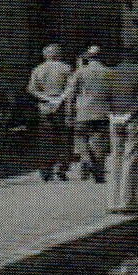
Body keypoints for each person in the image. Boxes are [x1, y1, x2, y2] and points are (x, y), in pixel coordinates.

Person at [106, 44, 138, 213]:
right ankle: (128, 202)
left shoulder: (111, 72)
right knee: (131, 160)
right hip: (133, 120)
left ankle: (113, 201)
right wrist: (129, 115)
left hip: (114, 120)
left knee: (116, 159)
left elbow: (106, 96)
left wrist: (113, 114)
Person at [63, 45, 114, 182]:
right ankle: (98, 173)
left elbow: (71, 95)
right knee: (99, 143)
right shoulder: (109, 72)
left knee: (80, 138)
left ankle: (86, 158)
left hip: (82, 112)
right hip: (102, 112)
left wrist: (69, 113)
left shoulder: (80, 72)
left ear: (87, 57)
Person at [26, 43, 73, 181]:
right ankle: (61, 169)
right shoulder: (66, 68)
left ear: (45, 55)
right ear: (58, 54)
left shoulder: (38, 70)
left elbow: (31, 89)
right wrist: (59, 99)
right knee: (63, 139)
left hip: (44, 107)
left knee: (46, 140)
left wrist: (47, 98)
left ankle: (46, 171)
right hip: (61, 107)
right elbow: (71, 87)